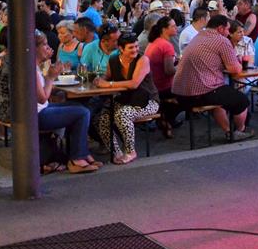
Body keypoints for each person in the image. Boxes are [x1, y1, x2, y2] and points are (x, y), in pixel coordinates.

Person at [172, 14, 253, 141]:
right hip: (201, 92)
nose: (228, 32)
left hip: (180, 93)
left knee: (219, 100)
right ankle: (240, 130)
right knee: (241, 100)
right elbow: (235, 69)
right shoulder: (221, 41)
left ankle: (228, 132)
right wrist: (238, 61)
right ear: (220, 28)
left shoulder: (198, 36)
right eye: (227, 29)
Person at [31, 29, 99, 174]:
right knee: (82, 112)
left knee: (79, 106)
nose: (48, 48)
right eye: (44, 45)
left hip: (39, 109)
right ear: (35, 48)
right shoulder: (31, 68)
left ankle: (80, 152)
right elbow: (42, 98)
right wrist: (51, 77)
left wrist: (48, 68)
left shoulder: (35, 65)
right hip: (37, 114)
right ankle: (77, 158)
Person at [95, 33, 161, 164]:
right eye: (131, 47)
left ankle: (131, 151)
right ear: (121, 48)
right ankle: (116, 152)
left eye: (136, 46)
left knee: (122, 114)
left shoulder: (142, 60)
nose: (135, 50)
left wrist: (108, 84)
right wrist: (99, 80)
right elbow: (106, 76)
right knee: (101, 119)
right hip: (125, 100)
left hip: (147, 101)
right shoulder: (113, 60)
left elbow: (134, 83)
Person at [145, 16, 178, 137]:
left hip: (152, 86)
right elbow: (169, 71)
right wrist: (181, 67)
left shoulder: (153, 42)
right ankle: (168, 119)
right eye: (173, 26)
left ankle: (164, 117)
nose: (176, 28)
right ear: (164, 29)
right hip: (163, 87)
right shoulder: (166, 45)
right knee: (190, 94)